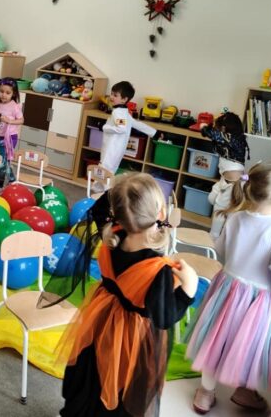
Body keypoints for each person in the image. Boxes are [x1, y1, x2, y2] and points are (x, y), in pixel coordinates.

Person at [50, 173, 197, 417]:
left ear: (117, 211)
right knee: (121, 387)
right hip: (132, 341)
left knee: (92, 372)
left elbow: (99, 208)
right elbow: (164, 318)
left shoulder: (111, 234)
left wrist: (124, 193)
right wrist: (188, 288)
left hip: (100, 320)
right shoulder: (158, 270)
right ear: (160, 212)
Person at [185, 162, 271, 414]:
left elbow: (220, 250)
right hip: (262, 301)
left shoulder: (235, 217)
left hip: (227, 290)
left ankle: (205, 394)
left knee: (216, 341)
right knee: (252, 345)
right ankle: (245, 390)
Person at [200, 111, 249, 238]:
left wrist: (204, 127)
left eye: (219, 127)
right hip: (225, 181)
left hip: (233, 184)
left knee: (220, 209)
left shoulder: (232, 138)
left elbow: (213, 134)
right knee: (212, 199)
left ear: (224, 127)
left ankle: (214, 237)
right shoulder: (232, 139)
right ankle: (222, 235)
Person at [100, 81, 156, 176]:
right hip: (117, 148)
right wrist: (154, 132)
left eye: (115, 95)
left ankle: (103, 185)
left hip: (112, 148)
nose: (111, 97)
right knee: (108, 172)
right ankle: (105, 186)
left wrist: (104, 127)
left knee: (103, 172)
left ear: (124, 99)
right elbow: (136, 124)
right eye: (111, 94)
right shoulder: (123, 112)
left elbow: (121, 129)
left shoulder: (118, 112)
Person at [0, 78, 24, 186]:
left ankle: (1, 184)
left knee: (3, 161)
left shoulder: (14, 106)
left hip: (10, 137)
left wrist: (9, 121)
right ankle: (11, 181)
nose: (3, 95)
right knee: (3, 160)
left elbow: (21, 120)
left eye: (8, 93)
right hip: (0, 136)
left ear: (13, 93)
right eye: (1, 91)